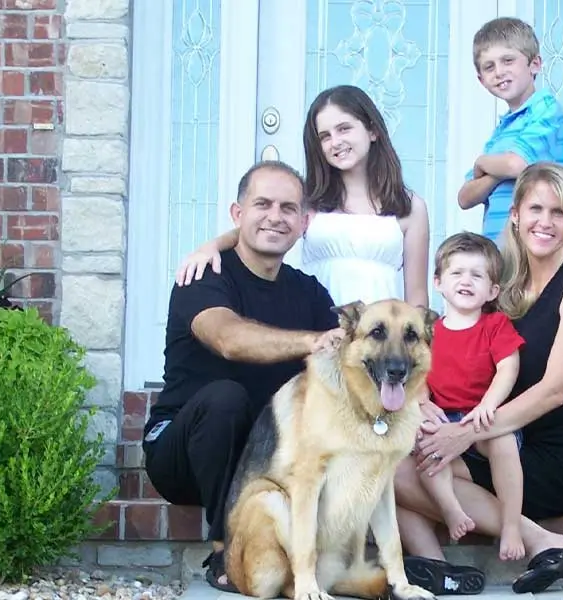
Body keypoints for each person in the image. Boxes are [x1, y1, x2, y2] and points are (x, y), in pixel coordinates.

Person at [397, 162, 563, 595]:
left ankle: (537, 540)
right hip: (499, 443)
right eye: (535, 209)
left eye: (558, 212)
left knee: (412, 470)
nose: (545, 223)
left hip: (554, 459)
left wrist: (463, 433)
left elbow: (553, 392)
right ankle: (444, 565)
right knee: (395, 461)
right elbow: (458, 353)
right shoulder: (508, 285)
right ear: (514, 214)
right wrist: (426, 401)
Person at [142, 161, 344, 591]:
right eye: (263, 204)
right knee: (225, 399)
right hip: (182, 453)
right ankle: (225, 549)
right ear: (237, 215)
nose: (276, 216)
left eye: (288, 208)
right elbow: (228, 339)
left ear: (304, 223)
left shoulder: (308, 291)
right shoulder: (202, 276)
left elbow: (344, 360)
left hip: (260, 459)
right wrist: (311, 342)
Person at [174, 84, 430, 308]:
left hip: (380, 347)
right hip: (316, 335)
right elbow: (260, 228)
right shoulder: (307, 199)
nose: (335, 142)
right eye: (325, 136)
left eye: (344, 129)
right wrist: (211, 247)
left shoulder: (410, 206)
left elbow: (417, 298)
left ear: (373, 131)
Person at [420, 232, 527, 563]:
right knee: (423, 448)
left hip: (483, 417)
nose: (466, 281)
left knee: (504, 441)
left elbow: (508, 368)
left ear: (492, 291)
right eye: (456, 273)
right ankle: (452, 511)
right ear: (438, 282)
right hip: (443, 415)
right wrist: (422, 402)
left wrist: (488, 404)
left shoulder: (494, 325)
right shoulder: (429, 332)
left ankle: (511, 526)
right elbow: (418, 375)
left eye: (477, 275)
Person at [457, 17, 563, 243]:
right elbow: (465, 197)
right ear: (481, 80)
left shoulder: (546, 109)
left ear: (535, 64)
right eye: (489, 67)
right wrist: (496, 173)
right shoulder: (501, 131)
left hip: (538, 247)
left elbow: (516, 164)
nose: (499, 72)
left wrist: (483, 163)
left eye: (508, 60)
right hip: (499, 255)